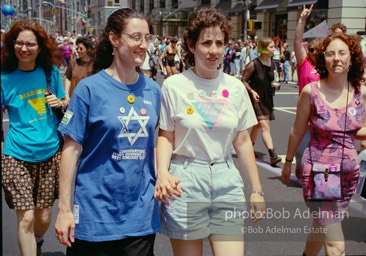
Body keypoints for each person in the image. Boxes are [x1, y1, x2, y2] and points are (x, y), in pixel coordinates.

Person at [154, 7, 265, 256]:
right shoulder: (174, 86)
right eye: (206, 43)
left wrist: (257, 190)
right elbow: (166, 136)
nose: (213, 50)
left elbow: (243, 140)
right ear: (192, 46)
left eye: (219, 42)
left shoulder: (235, 88)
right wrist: (162, 172)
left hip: (226, 180)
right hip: (185, 181)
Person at [55, 8, 161, 256]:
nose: (143, 45)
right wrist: (64, 210)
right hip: (95, 215)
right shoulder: (89, 89)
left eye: (147, 38)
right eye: (136, 37)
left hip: (140, 217)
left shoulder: (153, 91)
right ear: (114, 39)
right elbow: (71, 150)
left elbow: (154, 144)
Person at [282, 32, 366, 256]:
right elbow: (297, 130)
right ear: (324, 59)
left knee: (321, 228)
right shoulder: (312, 92)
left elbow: (360, 130)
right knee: (336, 246)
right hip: (322, 172)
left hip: (349, 174)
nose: (336, 58)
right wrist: (288, 162)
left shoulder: (361, 93)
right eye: (331, 54)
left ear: (352, 58)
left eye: (342, 53)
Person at [1, 19, 66, 256]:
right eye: (19, 43)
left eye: (30, 44)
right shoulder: (4, 77)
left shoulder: (50, 73)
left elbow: (64, 101)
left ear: (40, 47)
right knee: (26, 218)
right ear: (12, 45)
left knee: (43, 216)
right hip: (16, 154)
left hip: (50, 153)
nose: (24, 48)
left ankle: (36, 242)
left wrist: (60, 102)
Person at [242, 37, 282, 166]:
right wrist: (252, 92)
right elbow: (243, 80)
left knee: (258, 125)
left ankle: (249, 146)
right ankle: (272, 155)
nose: (274, 49)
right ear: (264, 48)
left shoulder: (271, 62)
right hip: (256, 97)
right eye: (271, 47)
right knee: (265, 125)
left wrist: (274, 84)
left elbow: (267, 80)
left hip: (267, 98)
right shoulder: (253, 64)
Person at [293, 4, 322, 179]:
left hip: (323, 115)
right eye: (310, 49)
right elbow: (297, 41)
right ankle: (299, 165)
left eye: (316, 50)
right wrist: (302, 20)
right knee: (301, 150)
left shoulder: (328, 68)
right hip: (305, 114)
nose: (312, 52)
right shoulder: (304, 63)